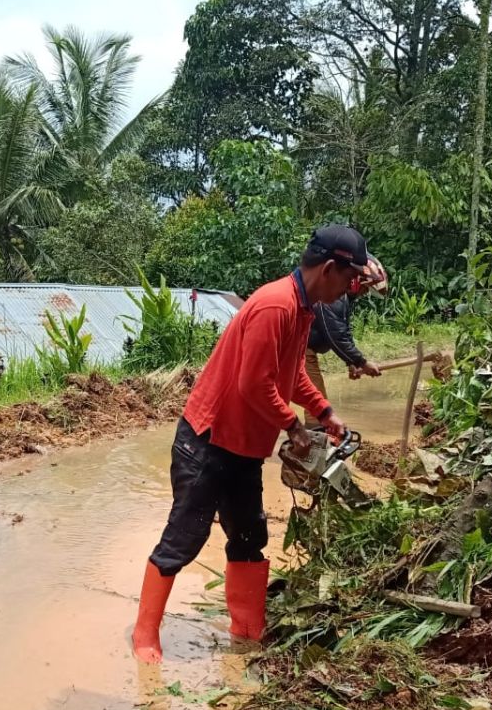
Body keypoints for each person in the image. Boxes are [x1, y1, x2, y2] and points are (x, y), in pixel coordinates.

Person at [132, 225, 369, 664]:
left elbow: (291, 374)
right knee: (184, 538)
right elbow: (252, 385)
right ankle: (145, 637)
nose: (349, 289)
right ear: (330, 269)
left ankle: (246, 632)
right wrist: (293, 428)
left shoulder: (303, 308)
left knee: (249, 536)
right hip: (208, 440)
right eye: (349, 278)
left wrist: (324, 413)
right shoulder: (275, 306)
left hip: (243, 447)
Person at [303, 256, 390, 426]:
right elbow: (336, 335)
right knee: (316, 404)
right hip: (297, 349)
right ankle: (313, 446)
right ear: (356, 281)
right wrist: (361, 362)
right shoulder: (331, 297)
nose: (364, 294)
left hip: (304, 349)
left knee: (313, 401)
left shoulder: (341, 298)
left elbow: (344, 330)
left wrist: (352, 363)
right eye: (365, 289)